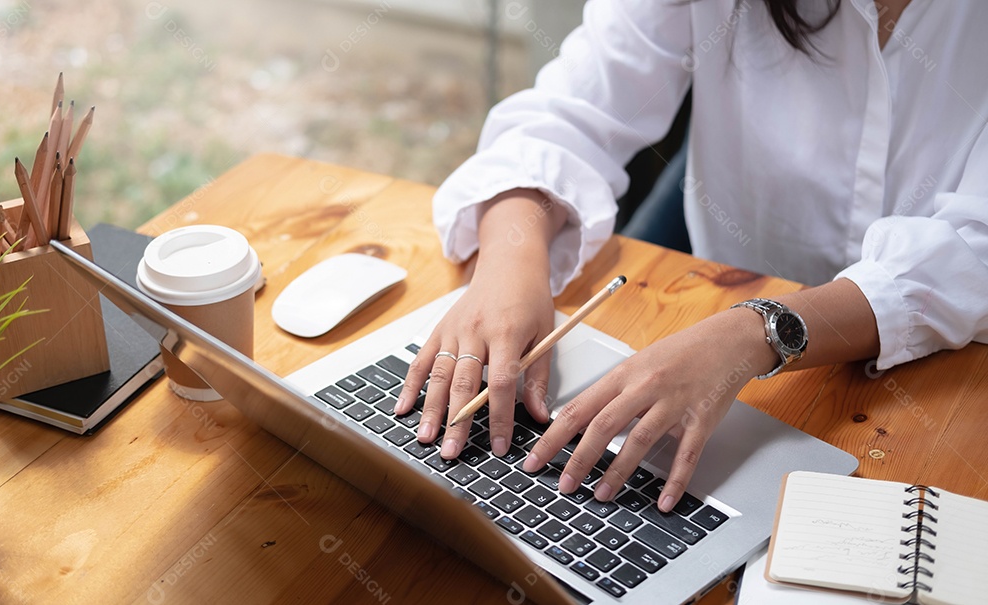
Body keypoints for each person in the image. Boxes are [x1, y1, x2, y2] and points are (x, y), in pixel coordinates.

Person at [394, 0, 988, 513]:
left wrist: (755, 333)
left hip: (945, 380)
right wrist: (507, 263)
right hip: (713, 314)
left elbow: (972, 250)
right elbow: (568, 115)